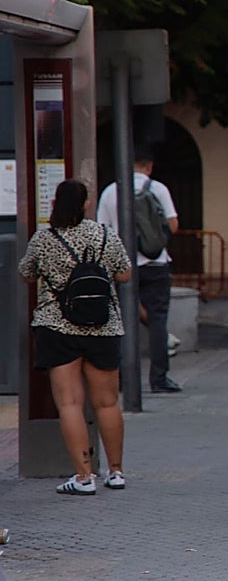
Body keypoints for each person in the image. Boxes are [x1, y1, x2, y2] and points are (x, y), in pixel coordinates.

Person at [18, 179, 133, 495]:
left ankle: (84, 478)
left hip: (58, 328)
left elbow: (25, 273)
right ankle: (116, 472)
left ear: (54, 202)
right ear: (86, 204)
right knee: (107, 402)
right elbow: (124, 273)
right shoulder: (105, 235)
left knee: (70, 403)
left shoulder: (44, 238)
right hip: (104, 328)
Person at [97, 144, 181, 393]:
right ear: (149, 166)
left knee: (120, 321)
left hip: (122, 266)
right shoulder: (158, 189)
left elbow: (103, 230)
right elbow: (173, 225)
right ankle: (159, 379)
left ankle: (121, 378)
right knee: (157, 320)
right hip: (156, 264)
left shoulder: (111, 191)